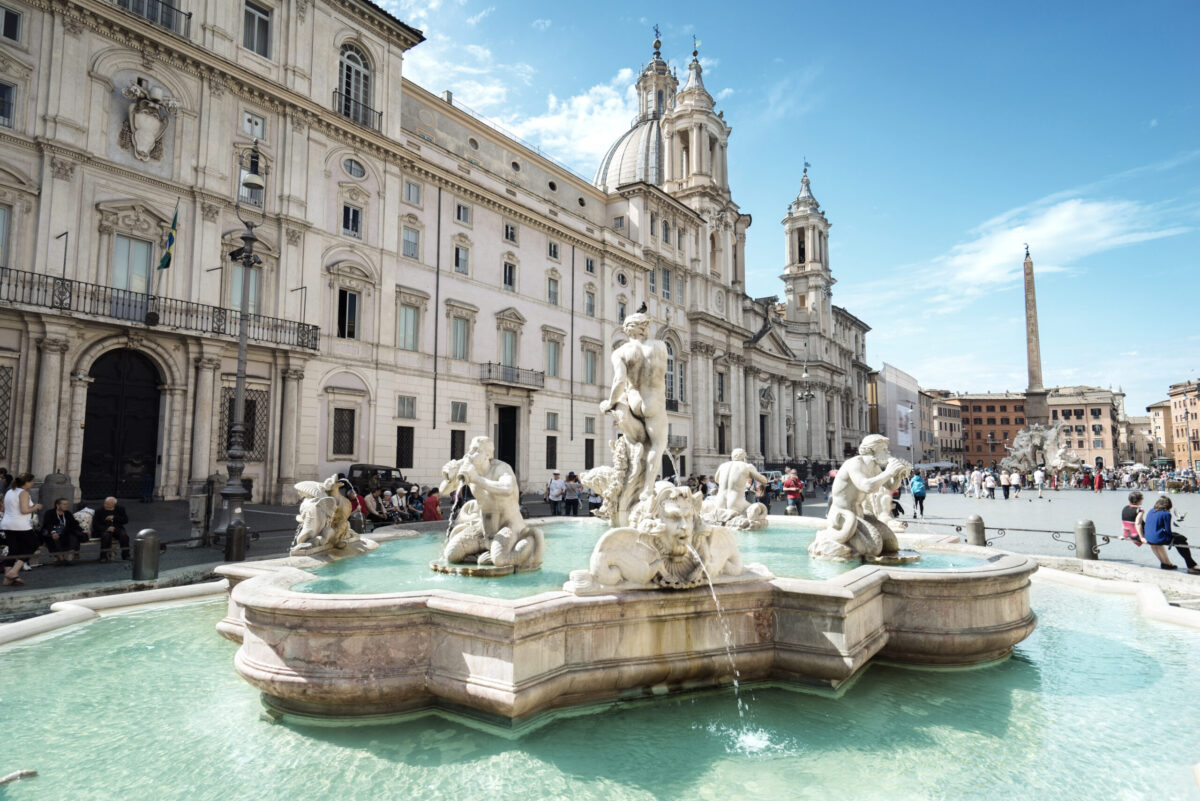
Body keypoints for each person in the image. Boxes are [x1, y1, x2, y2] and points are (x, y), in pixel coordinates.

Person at [599, 306, 668, 501]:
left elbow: (619, 381)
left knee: (637, 441)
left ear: (626, 330)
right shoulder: (661, 347)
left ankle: (631, 479)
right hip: (654, 402)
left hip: (634, 401)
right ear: (645, 328)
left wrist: (610, 402)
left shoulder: (620, 352)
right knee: (657, 444)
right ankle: (647, 489)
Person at [2, 472, 41, 585]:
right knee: (33, 544)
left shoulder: (9, 491)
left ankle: (7, 578)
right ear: (26, 482)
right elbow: (24, 510)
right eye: (32, 481)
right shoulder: (24, 493)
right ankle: (14, 571)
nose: (33, 483)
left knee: (13, 550)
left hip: (7, 524)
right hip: (20, 525)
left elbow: (5, 508)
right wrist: (36, 507)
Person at [1143, 496, 1198, 573]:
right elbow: (1168, 530)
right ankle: (1191, 566)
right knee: (1182, 541)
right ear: (1169, 505)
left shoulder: (1151, 511)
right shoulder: (1166, 514)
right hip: (1158, 538)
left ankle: (1165, 564)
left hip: (1148, 537)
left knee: (1178, 536)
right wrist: (1176, 537)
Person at [42, 498, 85, 565]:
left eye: (67, 504)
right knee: (53, 539)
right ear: (57, 505)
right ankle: (61, 559)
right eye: (64, 504)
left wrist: (83, 530)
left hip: (65, 532)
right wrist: (53, 532)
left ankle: (69, 559)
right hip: (52, 532)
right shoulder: (49, 513)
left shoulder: (67, 513)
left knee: (73, 536)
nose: (66, 506)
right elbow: (48, 524)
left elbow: (74, 524)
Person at [97, 496, 130, 562]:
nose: (106, 505)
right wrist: (107, 528)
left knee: (124, 536)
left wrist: (114, 518)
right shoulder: (99, 511)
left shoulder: (120, 509)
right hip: (105, 529)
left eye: (108, 504)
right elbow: (96, 524)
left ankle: (126, 555)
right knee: (106, 536)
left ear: (114, 504)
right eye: (105, 503)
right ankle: (103, 556)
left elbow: (125, 520)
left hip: (117, 528)